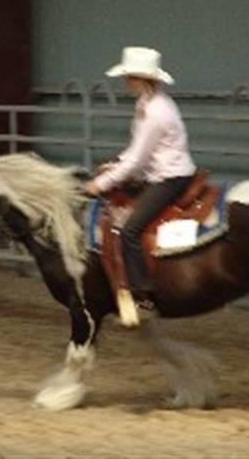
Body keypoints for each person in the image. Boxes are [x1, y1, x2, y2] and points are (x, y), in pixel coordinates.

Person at [85, 46, 197, 310]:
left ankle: (142, 291)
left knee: (130, 231)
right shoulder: (148, 102)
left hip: (170, 177)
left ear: (142, 79)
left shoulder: (156, 112)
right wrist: (116, 164)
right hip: (159, 172)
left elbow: (137, 159)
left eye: (130, 77)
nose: (126, 82)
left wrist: (100, 183)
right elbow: (136, 152)